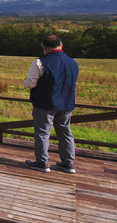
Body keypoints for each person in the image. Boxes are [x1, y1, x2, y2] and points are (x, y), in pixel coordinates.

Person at [22, 34, 79, 174]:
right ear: (61, 45)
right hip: (66, 103)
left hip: (45, 102)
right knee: (65, 132)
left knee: (42, 132)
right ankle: (68, 162)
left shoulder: (39, 62)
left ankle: (42, 162)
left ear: (43, 47)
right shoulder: (73, 62)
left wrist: (24, 82)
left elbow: (29, 83)